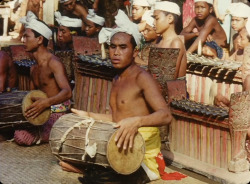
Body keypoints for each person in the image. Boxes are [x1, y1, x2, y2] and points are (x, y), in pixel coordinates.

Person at [64, 9, 173, 183]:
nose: (116, 52)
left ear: (135, 52)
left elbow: (166, 115)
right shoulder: (116, 78)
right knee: (68, 157)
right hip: (120, 144)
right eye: (112, 47)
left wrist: (136, 122)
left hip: (141, 155)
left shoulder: (141, 77)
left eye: (123, 47)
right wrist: (89, 116)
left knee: (96, 180)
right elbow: (118, 118)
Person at [14, 11, 72, 146]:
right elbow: (33, 96)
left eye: (27, 37)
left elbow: (67, 92)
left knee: (21, 136)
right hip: (43, 111)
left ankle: (52, 132)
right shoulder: (33, 68)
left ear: (40, 40)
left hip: (57, 112)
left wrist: (47, 103)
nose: (23, 40)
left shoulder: (53, 63)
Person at [153, 1, 187, 79]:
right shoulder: (159, 41)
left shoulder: (175, 43)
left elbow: (168, 78)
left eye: (157, 18)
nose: (154, 23)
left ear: (170, 18)